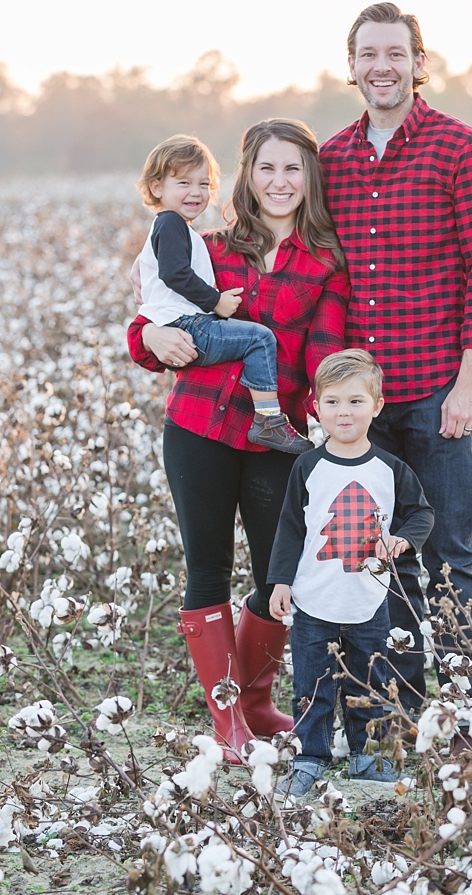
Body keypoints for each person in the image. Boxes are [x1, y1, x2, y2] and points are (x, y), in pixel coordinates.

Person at [127, 119, 350, 762]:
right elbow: (153, 316)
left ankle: (255, 702)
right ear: (247, 177)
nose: (279, 182)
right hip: (197, 426)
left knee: (280, 571)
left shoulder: (325, 263)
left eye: (292, 169)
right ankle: (227, 720)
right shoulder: (211, 247)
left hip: (273, 438)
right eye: (266, 169)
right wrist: (146, 340)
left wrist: (339, 417)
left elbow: (326, 353)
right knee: (208, 567)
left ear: (309, 177)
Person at [319, 3, 472, 724]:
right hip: (359, 407)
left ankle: (469, 717)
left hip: (436, 391)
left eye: (394, 54)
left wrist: (468, 386)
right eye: (368, 54)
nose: (381, 67)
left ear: (418, 64)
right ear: (351, 67)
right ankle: (396, 714)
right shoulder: (330, 159)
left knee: (449, 557)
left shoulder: (460, 149)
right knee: (380, 559)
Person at [268, 350, 434, 795]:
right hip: (313, 599)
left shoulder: (390, 469)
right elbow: (289, 528)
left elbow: (421, 514)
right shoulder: (308, 466)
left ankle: (368, 755)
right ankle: (309, 758)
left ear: (377, 406)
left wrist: (401, 541)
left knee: (370, 679)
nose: (345, 412)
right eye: (334, 402)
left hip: (369, 598)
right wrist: (280, 581)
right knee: (313, 684)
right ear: (316, 408)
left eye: (356, 401)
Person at [136, 133, 312, 454]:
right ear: (157, 187)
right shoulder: (177, 227)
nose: (196, 192)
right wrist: (213, 302)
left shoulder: (183, 232)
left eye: (204, 185)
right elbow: (170, 280)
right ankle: (270, 421)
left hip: (190, 329)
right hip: (191, 345)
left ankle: (268, 420)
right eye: (184, 183)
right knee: (259, 339)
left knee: (256, 339)